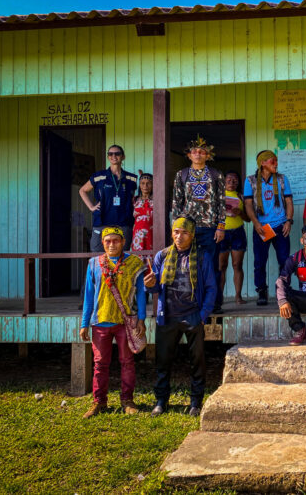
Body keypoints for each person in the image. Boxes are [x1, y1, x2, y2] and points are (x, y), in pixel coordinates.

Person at [144, 217, 217, 417]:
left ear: (192, 235)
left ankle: (195, 401)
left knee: (197, 361)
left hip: (193, 315)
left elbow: (211, 287)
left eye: (184, 232)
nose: (179, 236)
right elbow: (156, 287)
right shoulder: (163, 256)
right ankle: (161, 400)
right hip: (167, 316)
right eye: (176, 232)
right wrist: (149, 285)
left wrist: (202, 315)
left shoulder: (202, 256)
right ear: (172, 233)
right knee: (163, 361)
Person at [80, 226, 147, 418]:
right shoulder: (94, 264)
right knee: (100, 364)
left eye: (115, 240)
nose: (111, 244)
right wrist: (85, 322)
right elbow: (89, 296)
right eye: (107, 241)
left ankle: (127, 400)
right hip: (100, 321)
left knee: (127, 361)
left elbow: (141, 293)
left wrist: (141, 319)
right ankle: (98, 402)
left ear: (123, 242)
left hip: (126, 322)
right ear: (102, 243)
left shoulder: (134, 263)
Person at [171, 136, 225, 313]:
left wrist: (221, 226)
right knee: (187, 265)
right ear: (189, 155)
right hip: (188, 229)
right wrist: (176, 229)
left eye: (202, 152)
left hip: (210, 228)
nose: (198, 154)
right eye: (195, 151)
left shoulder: (216, 175)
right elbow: (177, 203)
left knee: (211, 266)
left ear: (208, 155)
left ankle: (214, 304)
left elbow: (222, 203)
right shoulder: (182, 174)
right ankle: (192, 302)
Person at [243, 150, 294, 306]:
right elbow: (248, 205)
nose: (276, 164)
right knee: (260, 262)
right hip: (262, 227)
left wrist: (288, 221)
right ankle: (261, 291)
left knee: (284, 261)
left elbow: (289, 202)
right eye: (273, 161)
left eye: (276, 161)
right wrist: (256, 223)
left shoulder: (282, 179)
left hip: (280, 225)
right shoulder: (250, 181)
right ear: (263, 163)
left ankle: (282, 291)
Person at [79, 144, 138, 252]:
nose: (113, 156)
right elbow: (82, 190)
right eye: (110, 154)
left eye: (117, 153)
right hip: (102, 222)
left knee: (121, 257)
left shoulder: (131, 178)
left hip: (124, 223)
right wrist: (91, 207)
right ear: (108, 157)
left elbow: (132, 197)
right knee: (97, 254)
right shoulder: (99, 176)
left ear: (123, 157)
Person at [219, 170, 249, 304]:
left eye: (235, 180)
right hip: (221, 232)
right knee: (221, 266)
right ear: (224, 182)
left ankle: (238, 296)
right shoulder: (218, 197)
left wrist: (240, 213)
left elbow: (248, 218)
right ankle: (219, 297)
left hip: (238, 232)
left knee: (237, 265)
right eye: (229, 180)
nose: (231, 182)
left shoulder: (241, 197)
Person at [132, 172, 153, 253]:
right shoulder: (135, 200)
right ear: (139, 185)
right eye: (142, 183)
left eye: (148, 183)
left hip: (152, 234)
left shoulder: (157, 200)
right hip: (137, 235)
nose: (145, 186)